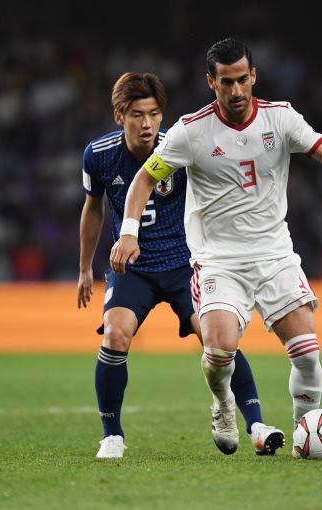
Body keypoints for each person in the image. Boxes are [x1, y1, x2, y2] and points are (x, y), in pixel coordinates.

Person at [110, 39, 322, 456]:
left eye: (243, 79)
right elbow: (145, 179)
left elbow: (321, 146)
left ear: (253, 75)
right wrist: (129, 231)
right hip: (219, 261)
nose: (237, 90)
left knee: (307, 355)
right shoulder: (191, 131)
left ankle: (304, 435)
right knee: (220, 350)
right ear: (212, 82)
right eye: (227, 82)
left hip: (275, 256)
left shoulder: (281, 117)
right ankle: (223, 401)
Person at [77, 72, 284, 458]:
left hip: (185, 265)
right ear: (119, 116)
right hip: (133, 269)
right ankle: (112, 436)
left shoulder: (180, 145)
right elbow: (93, 208)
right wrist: (85, 267)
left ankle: (256, 426)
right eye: (137, 114)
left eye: (154, 114)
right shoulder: (99, 154)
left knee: (218, 340)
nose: (147, 123)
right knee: (115, 335)